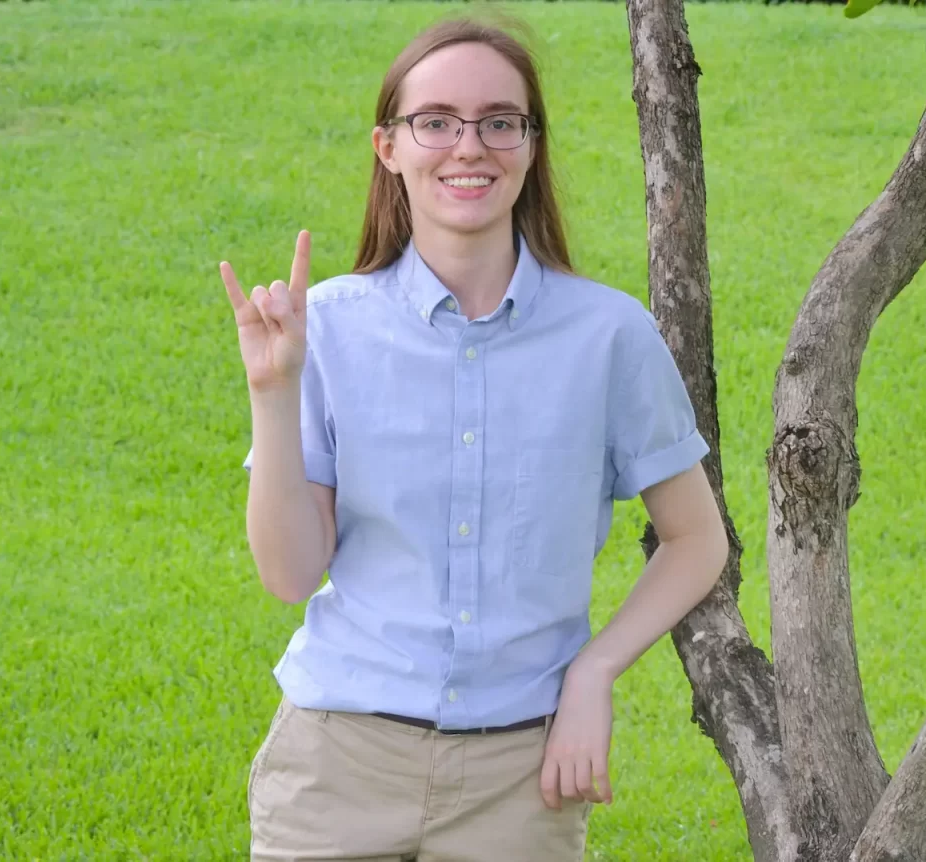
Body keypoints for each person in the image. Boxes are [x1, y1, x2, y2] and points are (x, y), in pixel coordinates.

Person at [220, 15, 728, 862]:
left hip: (522, 782)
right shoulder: (328, 330)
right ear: (389, 146)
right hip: (335, 768)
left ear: (530, 146)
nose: (470, 147)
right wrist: (273, 396)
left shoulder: (610, 336)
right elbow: (289, 574)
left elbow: (695, 540)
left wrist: (594, 672)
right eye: (436, 122)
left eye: (500, 121)